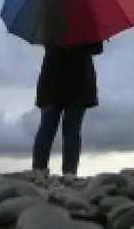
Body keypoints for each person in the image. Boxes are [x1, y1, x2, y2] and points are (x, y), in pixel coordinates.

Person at [32, 40, 103, 177]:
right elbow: (97, 49)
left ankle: (38, 170)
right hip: (78, 81)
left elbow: (47, 43)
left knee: (47, 128)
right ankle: (69, 173)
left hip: (52, 80)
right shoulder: (87, 22)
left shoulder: (49, 20)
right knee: (71, 130)